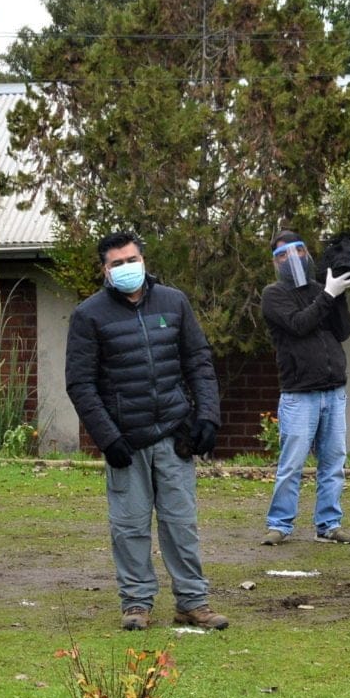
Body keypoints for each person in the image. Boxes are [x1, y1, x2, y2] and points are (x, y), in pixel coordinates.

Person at [65, 233, 229, 633]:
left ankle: (192, 602)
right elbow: (80, 384)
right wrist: (108, 438)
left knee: (181, 522)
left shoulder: (174, 302)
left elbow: (199, 362)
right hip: (126, 439)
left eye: (132, 259)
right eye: (117, 263)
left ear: (144, 259)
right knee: (129, 525)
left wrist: (207, 416)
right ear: (105, 269)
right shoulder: (89, 315)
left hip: (175, 434)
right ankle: (136, 602)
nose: (126, 268)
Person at [257, 231, 350, 548]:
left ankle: (329, 525)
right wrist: (328, 295)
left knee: (333, 463)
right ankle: (279, 525)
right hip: (300, 393)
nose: (293, 257)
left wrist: (338, 295)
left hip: (333, 389)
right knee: (292, 464)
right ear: (276, 261)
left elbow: (343, 331)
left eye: (299, 249)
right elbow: (299, 324)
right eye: (283, 254)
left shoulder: (320, 289)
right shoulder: (274, 295)